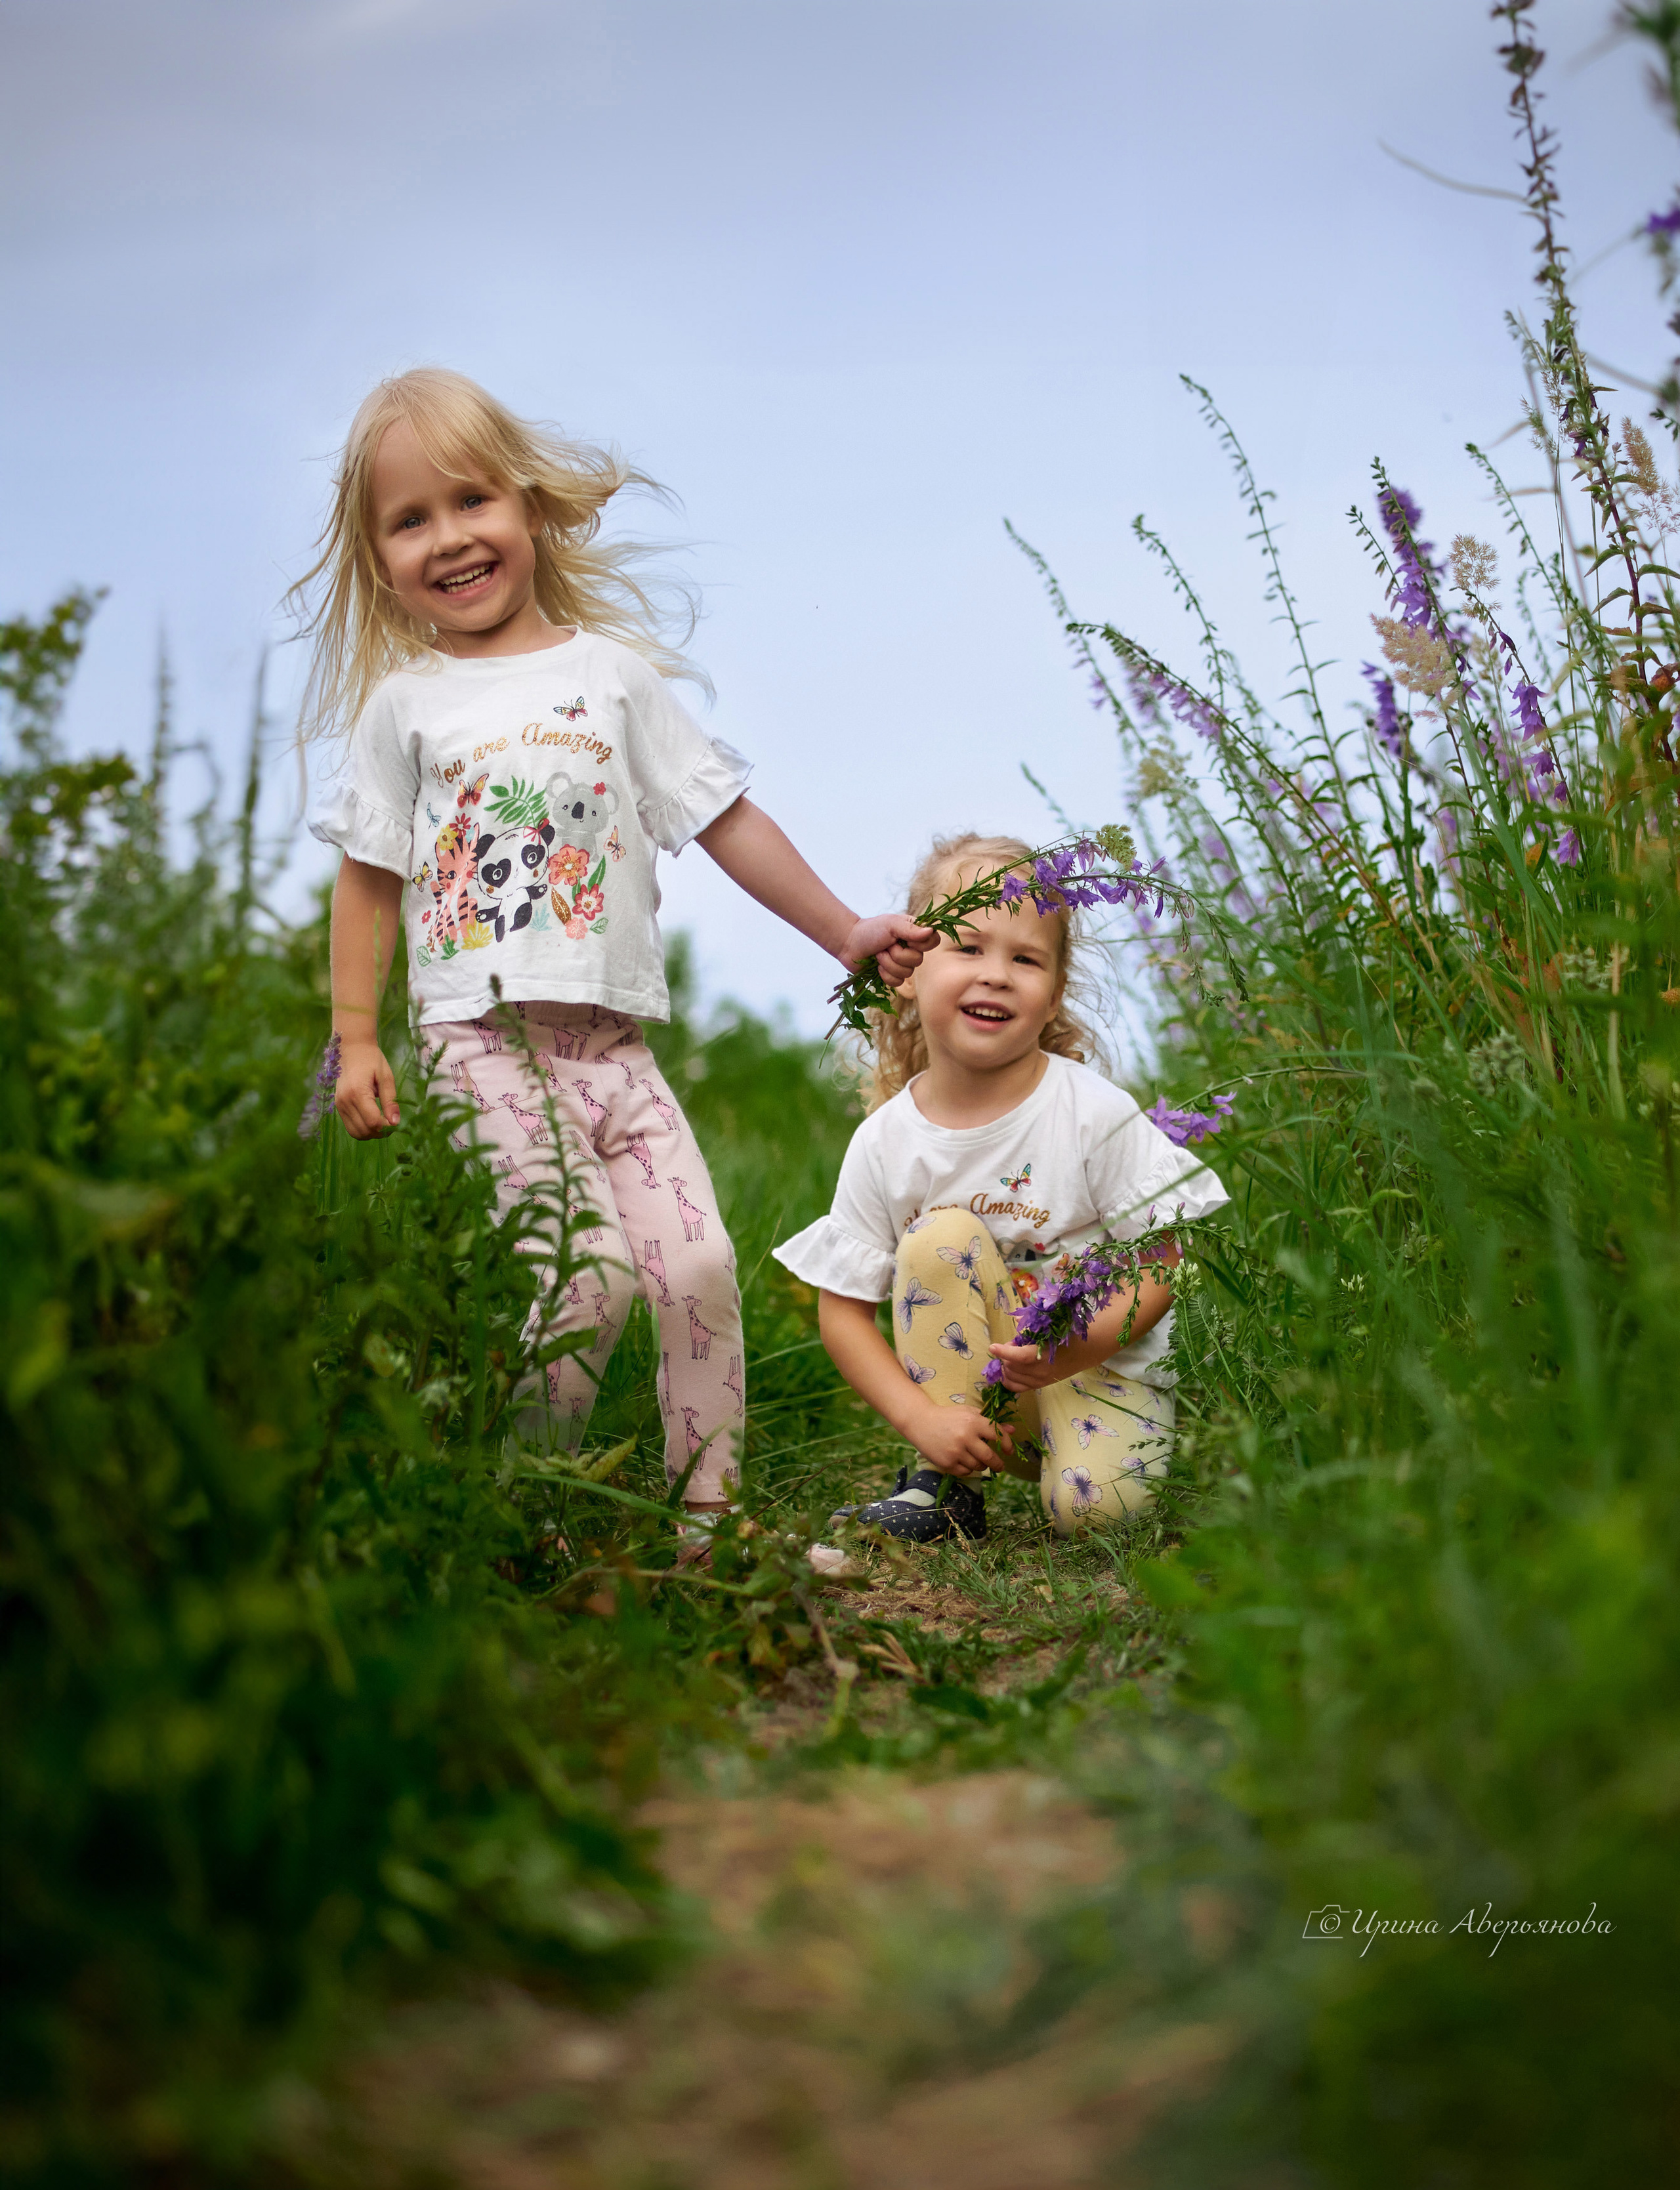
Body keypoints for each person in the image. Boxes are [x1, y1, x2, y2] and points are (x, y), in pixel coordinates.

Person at [299, 368, 931, 1542]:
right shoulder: (405, 707)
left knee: (696, 1272)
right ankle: (518, 1504)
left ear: (529, 509)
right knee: (578, 1279)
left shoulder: (614, 680)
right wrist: (353, 1038)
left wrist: (845, 929)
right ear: (379, 556)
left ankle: (711, 1525)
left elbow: (725, 816)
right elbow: (369, 876)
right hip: (477, 1044)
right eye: (410, 519)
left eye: (472, 501)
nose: (450, 538)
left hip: (615, 1049)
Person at [775, 832, 1228, 1544]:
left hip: (1096, 1368)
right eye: (967, 947)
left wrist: (1071, 1351)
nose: (995, 974)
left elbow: (1164, 1257)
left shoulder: (1090, 1111)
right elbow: (842, 1315)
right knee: (938, 1239)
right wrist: (922, 1421)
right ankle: (947, 1485)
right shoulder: (887, 1140)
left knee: (1097, 1518)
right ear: (909, 975)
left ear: (1052, 996)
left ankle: (1119, 1455)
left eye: (1024, 959)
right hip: (988, 1398)